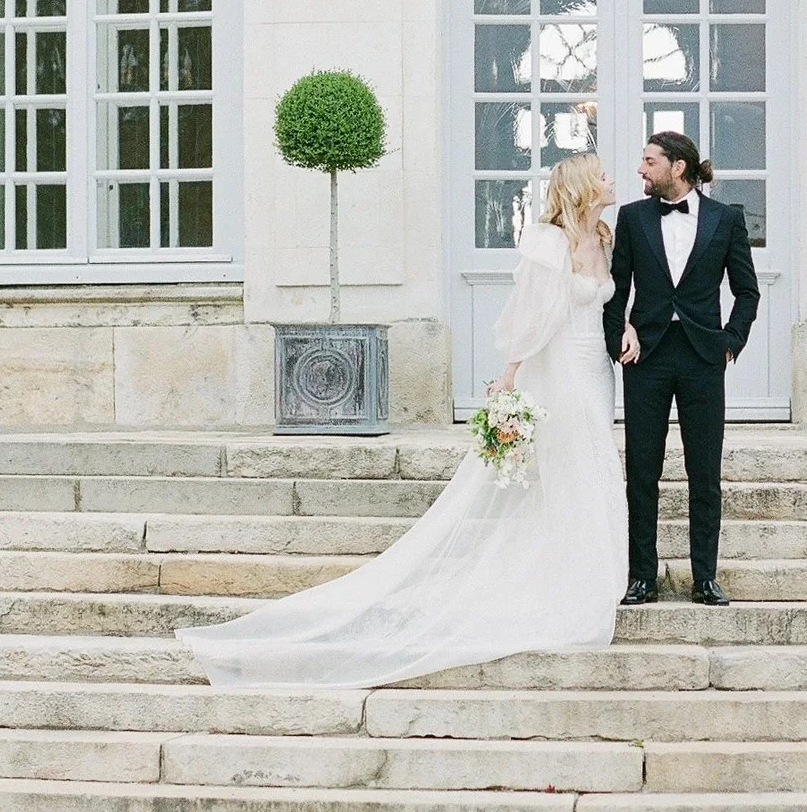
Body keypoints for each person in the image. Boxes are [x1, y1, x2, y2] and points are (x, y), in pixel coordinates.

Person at [177, 155, 624, 688]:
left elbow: (611, 302)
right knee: (569, 469)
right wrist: (509, 376)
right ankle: (568, 580)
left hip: (596, 369)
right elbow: (532, 315)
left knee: (595, 466)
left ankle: (592, 571)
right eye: (601, 174)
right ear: (581, 186)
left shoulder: (602, 235)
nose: (610, 180)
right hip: (561, 372)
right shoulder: (550, 243)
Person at [604, 129, 759, 607]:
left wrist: (731, 342)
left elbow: (747, 291)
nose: (641, 169)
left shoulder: (726, 219)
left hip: (702, 358)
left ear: (678, 167)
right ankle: (642, 578)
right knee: (642, 470)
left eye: (649, 161)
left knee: (704, 472)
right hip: (646, 356)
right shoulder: (632, 218)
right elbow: (615, 288)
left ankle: (705, 578)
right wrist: (618, 335)